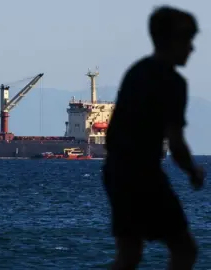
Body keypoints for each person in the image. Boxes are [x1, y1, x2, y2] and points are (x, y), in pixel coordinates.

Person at [102, 5, 205, 270]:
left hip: (115, 171)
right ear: (171, 41)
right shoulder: (173, 83)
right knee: (185, 249)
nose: (191, 49)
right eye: (187, 41)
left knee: (129, 254)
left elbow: (114, 132)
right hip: (143, 175)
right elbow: (177, 142)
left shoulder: (136, 71)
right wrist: (193, 171)